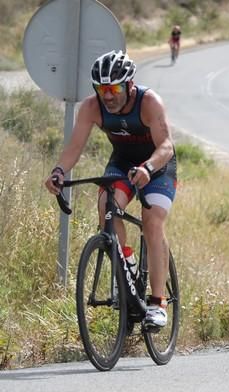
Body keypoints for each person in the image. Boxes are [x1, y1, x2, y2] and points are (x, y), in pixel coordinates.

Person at [44, 50, 177, 330]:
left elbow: (166, 147)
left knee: (152, 223)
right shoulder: (92, 107)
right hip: (123, 163)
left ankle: (157, 302)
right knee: (107, 207)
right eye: (101, 89)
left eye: (114, 89)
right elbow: (75, 147)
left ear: (129, 85)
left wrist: (148, 169)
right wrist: (58, 172)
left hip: (157, 166)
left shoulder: (149, 102)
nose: (107, 96)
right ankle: (125, 268)